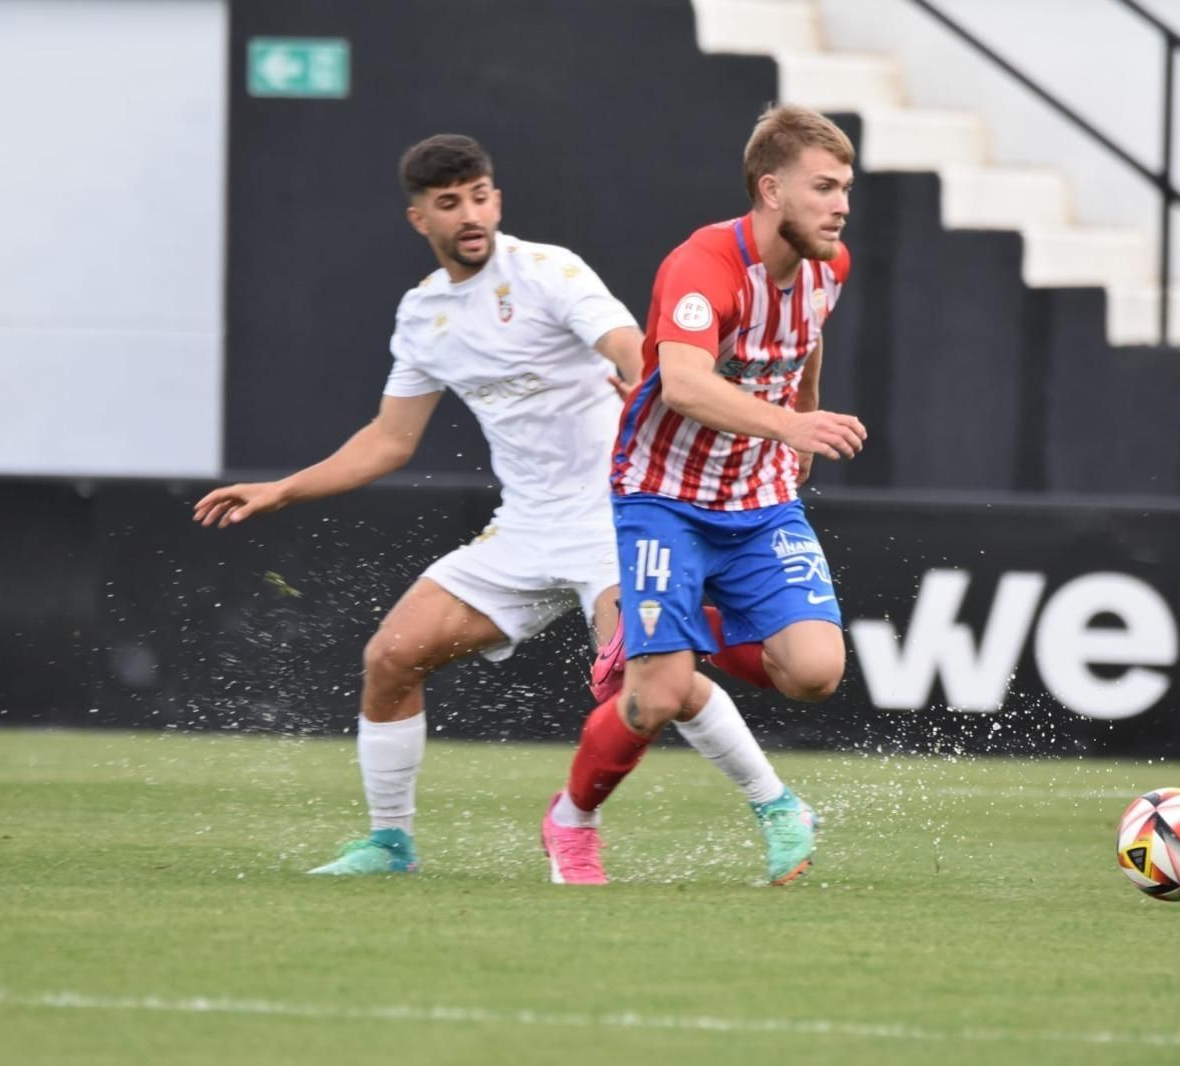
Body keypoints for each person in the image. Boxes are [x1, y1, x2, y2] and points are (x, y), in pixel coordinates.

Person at [194, 134, 784, 876]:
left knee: (657, 682)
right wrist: (283, 487)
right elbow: (388, 439)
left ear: (497, 199)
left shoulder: (548, 271)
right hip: (525, 530)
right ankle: (391, 842)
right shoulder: (423, 316)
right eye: (449, 204)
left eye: (479, 197)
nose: (469, 214)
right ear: (421, 220)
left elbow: (634, 350)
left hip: (617, 517)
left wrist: (644, 381)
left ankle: (776, 807)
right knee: (389, 660)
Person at [544, 106, 867, 886]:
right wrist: (793, 427)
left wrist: (798, 438)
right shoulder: (701, 266)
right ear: (770, 190)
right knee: (655, 699)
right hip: (663, 496)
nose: (841, 204)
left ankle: (673, 625)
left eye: (846, 188)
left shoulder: (831, 265)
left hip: (757, 498)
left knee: (817, 670)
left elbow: (806, 337)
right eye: (823, 187)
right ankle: (572, 822)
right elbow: (685, 387)